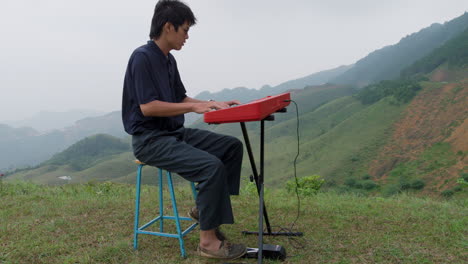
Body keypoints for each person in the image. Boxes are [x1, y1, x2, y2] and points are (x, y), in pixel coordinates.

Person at [121, 0, 246, 260]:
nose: (187, 36)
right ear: (168, 27)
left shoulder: (169, 60)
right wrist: (192, 110)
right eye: (185, 30)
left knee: (232, 148)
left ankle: (205, 210)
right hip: (150, 140)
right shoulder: (142, 58)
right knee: (211, 167)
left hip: (174, 134)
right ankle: (208, 244)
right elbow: (148, 107)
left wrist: (211, 104)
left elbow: (182, 98)